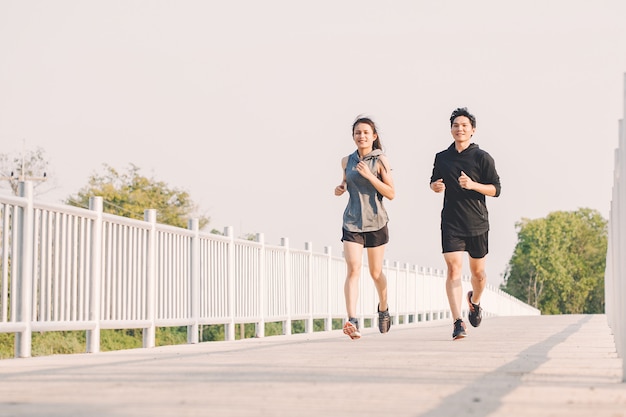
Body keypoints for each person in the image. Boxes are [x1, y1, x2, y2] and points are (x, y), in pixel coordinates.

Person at [429, 107, 501, 340]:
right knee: (453, 270)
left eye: (464, 126)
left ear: (473, 130)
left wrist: (473, 185)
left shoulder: (482, 158)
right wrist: (435, 187)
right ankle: (458, 322)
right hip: (451, 221)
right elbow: (434, 181)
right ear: (451, 129)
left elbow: (496, 189)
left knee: (478, 274)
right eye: (456, 125)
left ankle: (475, 300)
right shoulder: (442, 157)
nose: (460, 129)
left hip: (477, 222)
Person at [334, 116, 395, 340]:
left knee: (375, 272)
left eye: (366, 133)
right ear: (353, 136)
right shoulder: (345, 161)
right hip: (352, 221)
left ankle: (384, 306)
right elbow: (345, 182)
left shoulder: (381, 161)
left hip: (376, 221)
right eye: (358, 133)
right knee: (353, 269)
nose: (362, 136)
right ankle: (352, 319)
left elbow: (391, 193)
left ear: (374, 136)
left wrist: (370, 175)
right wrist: (341, 187)